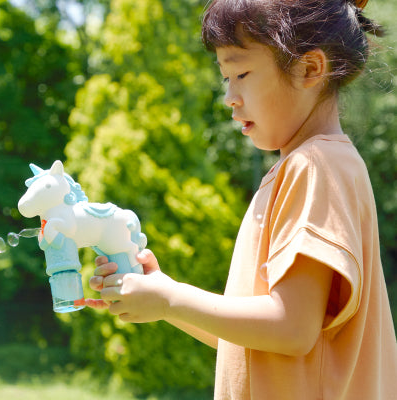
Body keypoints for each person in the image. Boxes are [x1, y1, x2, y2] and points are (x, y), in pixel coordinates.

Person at [84, 0, 397, 398]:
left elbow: (290, 328)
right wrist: (162, 294)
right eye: (225, 78)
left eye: (242, 73)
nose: (230, 96)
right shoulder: (303, 168)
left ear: (309, 69)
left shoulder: (317, 164)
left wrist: (171, 300)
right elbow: (259, 343)